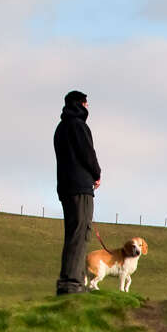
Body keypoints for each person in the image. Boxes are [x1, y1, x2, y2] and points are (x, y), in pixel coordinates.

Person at [53, 91, 101, 294]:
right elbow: (87, 153)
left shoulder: (60, 128)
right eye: (86, 103)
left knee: (73, 233)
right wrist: (96, 173)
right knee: (81, 232)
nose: (87, 106)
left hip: (65, 187)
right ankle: (73, 283)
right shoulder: (79, 126)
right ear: (80, 104)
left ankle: (71, 280)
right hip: (80, 186)